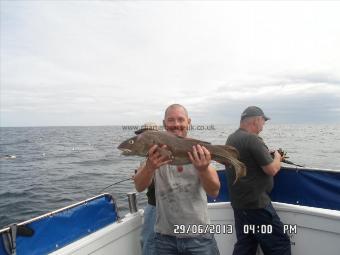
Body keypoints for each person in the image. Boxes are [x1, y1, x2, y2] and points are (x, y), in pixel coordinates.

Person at [134, 104, 220, 255]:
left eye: (181, 120)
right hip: (164, 237)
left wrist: (203, 169)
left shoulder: (198, 150)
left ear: (189, 122)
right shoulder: (154, 153)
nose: (176, 124)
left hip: (199, 235)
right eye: (171, 120)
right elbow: (139, 186)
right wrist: (149, 167)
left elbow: (214, 191)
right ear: (164, 124)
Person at [225, 106, 291, 255]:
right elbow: (272, 169)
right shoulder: (252, 139)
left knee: (246, 245)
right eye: (263, 121)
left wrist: (266, 154)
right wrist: (278, 157)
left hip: (240, 206)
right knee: (279, 245)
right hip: (257, 207)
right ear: (256, 120)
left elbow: (247, 159)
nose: (263, 126)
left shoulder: (231, 138)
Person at [134, 122, 158, 255]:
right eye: (140, 135)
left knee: (149, 243)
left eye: (146, 134)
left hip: (156, 207)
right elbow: (140, 186)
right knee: (147, 242)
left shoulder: (161, 155)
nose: (141, 138)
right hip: (152, 205)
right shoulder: (145, 160)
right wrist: (140, 176)